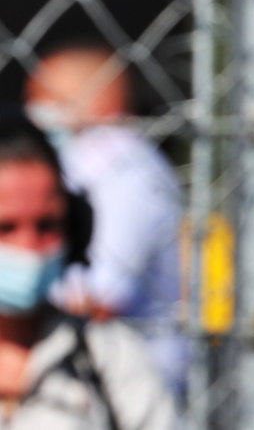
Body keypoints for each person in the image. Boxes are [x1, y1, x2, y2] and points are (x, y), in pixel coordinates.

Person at [21, 42, 185, 394]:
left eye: (46, 98)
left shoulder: (118, 160)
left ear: (99, 99)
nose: (33, 112)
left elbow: (97, 299)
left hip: (127, 387)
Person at [0, 110, 179, 429]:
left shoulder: (110, 357)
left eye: (47, 225)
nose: (28, 247)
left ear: (76, 227)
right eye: (5, 228)